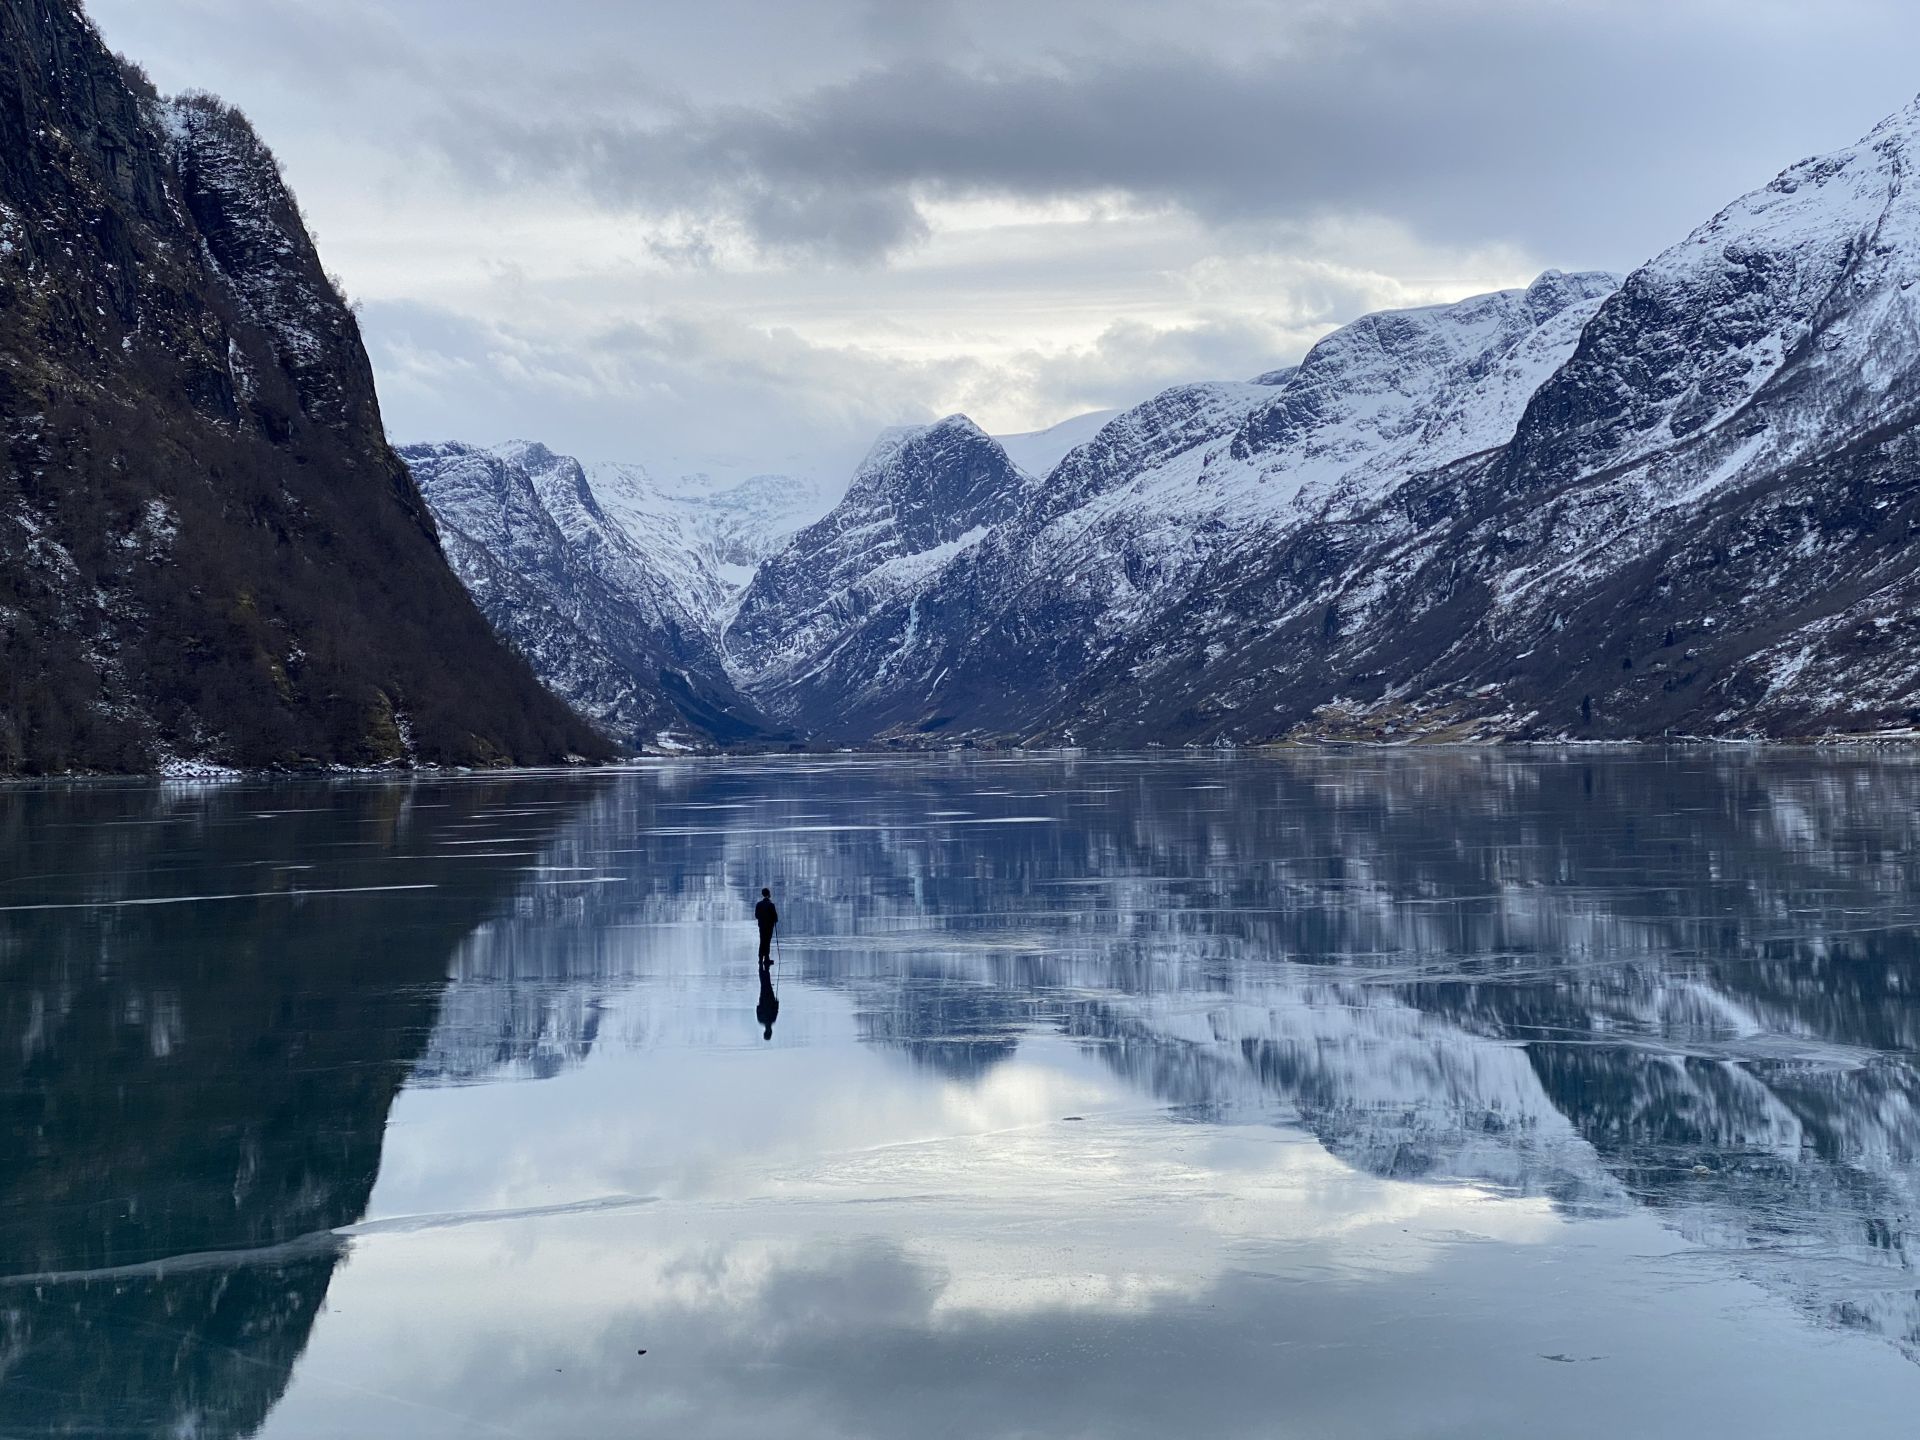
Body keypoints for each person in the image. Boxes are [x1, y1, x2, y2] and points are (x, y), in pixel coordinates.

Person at [756, 963, 780, 1041]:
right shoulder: (762, 1020)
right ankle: (763, 968)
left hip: (767, 999)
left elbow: (776, 1008)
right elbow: (758, 1009)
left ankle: (764, 967)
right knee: (765, 984)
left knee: (765, 984)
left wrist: (776, 1003)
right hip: (766, 999)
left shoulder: (771, 1019)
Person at [754, 887, 778, 963]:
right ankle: (766, 958)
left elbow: (756, 916)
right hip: (769, 927)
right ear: (769, 894)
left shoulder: (758, 904)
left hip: (761, 926)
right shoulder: (771, 905)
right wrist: (773, 920)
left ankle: (760, 958)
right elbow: (775, 917)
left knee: (762, 941)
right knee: (767, 942)